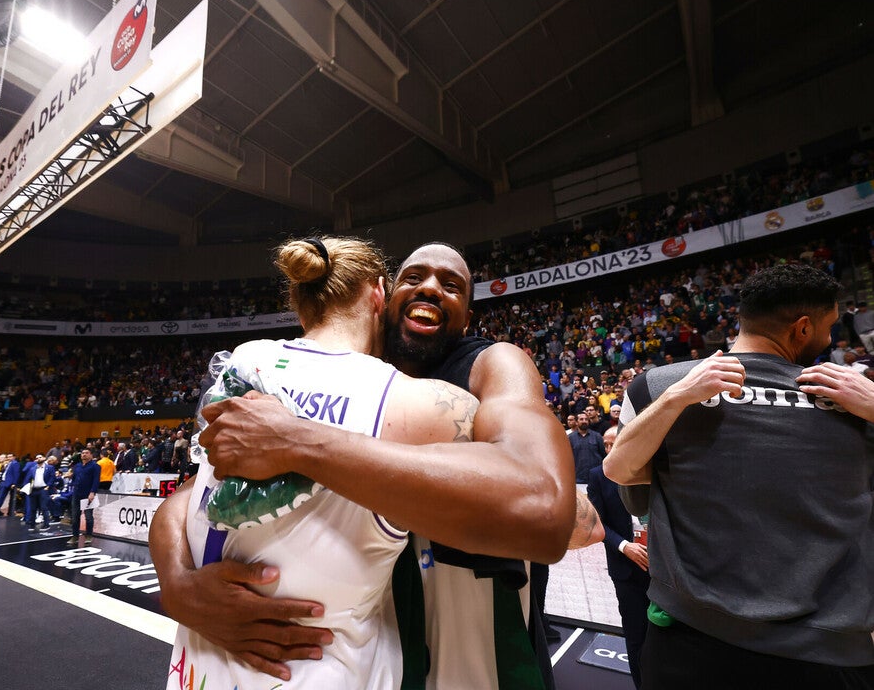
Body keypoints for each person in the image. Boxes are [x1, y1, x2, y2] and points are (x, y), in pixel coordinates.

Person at [151, 242, 588, 689]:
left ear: (467, 319)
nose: (432, 288)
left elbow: (548, 507)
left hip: (479, 656)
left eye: (452, 285)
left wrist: (296, 440)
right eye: (414, 278)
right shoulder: (348, 377)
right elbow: (194, 493)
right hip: (380, 649)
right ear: (385, 298)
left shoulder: (491, 363)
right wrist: (178, 584)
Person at [604, 265, 874, 688]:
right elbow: (618, 469)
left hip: (691, 645)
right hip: (827, 651)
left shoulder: (655, 385)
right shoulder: (856, 396)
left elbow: (628, 482)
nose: (831, 339)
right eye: (829, 327)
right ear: (802, 329)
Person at [587, 426, 650, 688]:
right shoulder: (597, 476)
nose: (610, 450)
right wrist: (625, 546)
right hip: (626, 571)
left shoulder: (652, 467)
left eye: (616, 442)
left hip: (664, 569)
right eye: (606, 444)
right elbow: (597, 524)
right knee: (636, 638)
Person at [67, 447, 100, 546]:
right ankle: (75, 536)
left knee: (88, 517)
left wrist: (92, 492)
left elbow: (96, 480)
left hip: (88, 494)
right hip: (77, 493)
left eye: (86, 453)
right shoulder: (77, 466)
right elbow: (75, 478)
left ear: (91, 455)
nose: (84, 455)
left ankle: (89, 535)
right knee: (75, 516)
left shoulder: (95, 466)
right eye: (82, 453)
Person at [20, 454, 56, 530]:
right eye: (36, 458)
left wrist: (48, 486)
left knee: (44, 507)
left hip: (43, 489)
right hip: (34, 489)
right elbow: (28, 478)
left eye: (40, 457)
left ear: (44, 458)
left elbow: (52, 477)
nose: (38, 459)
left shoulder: (49, 467)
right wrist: (25, 487)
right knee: (33, 508)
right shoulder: (33, 468)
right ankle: (32, 524)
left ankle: (46, 524)